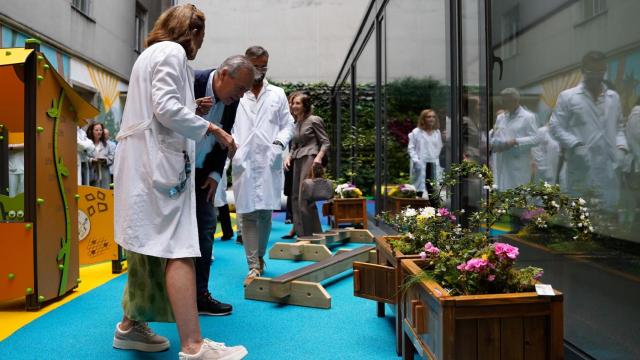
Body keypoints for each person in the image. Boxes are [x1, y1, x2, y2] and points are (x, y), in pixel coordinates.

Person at [111, 5, 247, 360]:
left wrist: (192, 109)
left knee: (148, 247)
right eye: (202, 36)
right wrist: (214, 128)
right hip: (155, 167)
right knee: (180, 249)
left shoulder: (150, 55)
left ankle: (129, 326)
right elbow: (166, 109)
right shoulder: (172, 53)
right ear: (194, 32)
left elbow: (162, 108)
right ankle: (193, 346)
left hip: (144, 164)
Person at [192, 54, 255, 316]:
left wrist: (216, 174)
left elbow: (225, 138)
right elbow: (163, 117)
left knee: (206, 229)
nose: (241, 96)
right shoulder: (191, 81)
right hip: (171, 171)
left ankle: (199, 295)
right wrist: (191, 110)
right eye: (240, 88)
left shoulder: (231, 100)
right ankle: (165, 297)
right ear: (223, 74)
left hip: (203, 174)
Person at [231, 45, 295, 287]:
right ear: (245, 64)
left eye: (264, 65)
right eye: (256, 65)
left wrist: (279, 143)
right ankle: (253, 266)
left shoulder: (277, 94)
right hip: (243, 161)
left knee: (265, 214)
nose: (261, 70)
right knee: (247, 214)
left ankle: (259, 256)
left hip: (269, 160)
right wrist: (232, 150)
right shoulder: (236, 94)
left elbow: (288, 125)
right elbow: (227, 126)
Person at [550, 51, 628, 209]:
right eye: (591, 72)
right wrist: (575, 144)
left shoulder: (613, 97)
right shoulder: (568, 96)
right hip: (580, 166)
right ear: (583, 70)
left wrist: (621, 147)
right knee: (580, 217)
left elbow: (619, 127)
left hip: (608, 168)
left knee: (607, 219)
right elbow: (555, 126)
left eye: (600, 71)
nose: (596, 76)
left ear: (605, 70)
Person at [285, 91, 330, 237]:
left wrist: (319, 157)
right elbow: (294, 144)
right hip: (297, 159)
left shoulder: (314, 120)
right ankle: (301, 232)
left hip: (310, 158)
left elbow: (325, 142)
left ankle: (311, 233)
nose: (293, 105)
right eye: (293, 103)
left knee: (304, 196)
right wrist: (288, 157)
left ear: (305, 105)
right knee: (294, 196)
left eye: (298, 103)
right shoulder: (296, 122)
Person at [489, 88, 538, 190]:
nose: (503, 104)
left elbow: (535, 139)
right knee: (502, 194)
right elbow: (495, 136)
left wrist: (516, 141)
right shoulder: (501, 118)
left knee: (518, 195)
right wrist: (494, 142)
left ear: (515, 101)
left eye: (506, 101)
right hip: (502, 162)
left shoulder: (528, 117)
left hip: (518, 165)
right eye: (502, 101)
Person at [407, 109, 443, 201]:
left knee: (433, 188)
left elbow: (439, 146)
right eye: (429, 117)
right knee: (419, 189)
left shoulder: (437, 132)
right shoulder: (416, 132)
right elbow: (411, 148)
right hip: (420, 163)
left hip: (433, 162)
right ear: (423, 119)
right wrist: (416, 160)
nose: (431, 119)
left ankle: (433, 211)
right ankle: (417, 210)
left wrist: (436, 158)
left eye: (433, 117)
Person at [86, 122, 115, 189]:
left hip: (104, 174)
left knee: (104, 194)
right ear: (92, 131)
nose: (99, 132)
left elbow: (112, 157)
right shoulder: (88, 144)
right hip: (91, 174)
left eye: (100, 130)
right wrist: (92, 160)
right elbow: (84, 157)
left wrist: (105, 160)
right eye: (96, 130)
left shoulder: (107, 144)